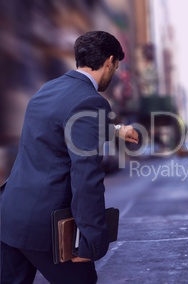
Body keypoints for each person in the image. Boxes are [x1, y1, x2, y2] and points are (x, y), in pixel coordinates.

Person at [0, 31, 138, 284]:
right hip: (47, 228)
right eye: (116, 66)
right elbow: (86, 176)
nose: (114, 72)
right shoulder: (91, 101)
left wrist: (116, 130)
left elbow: (61, 128)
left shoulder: (47, 89)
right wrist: (91, 240)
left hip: (10, 216)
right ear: (109, 61)